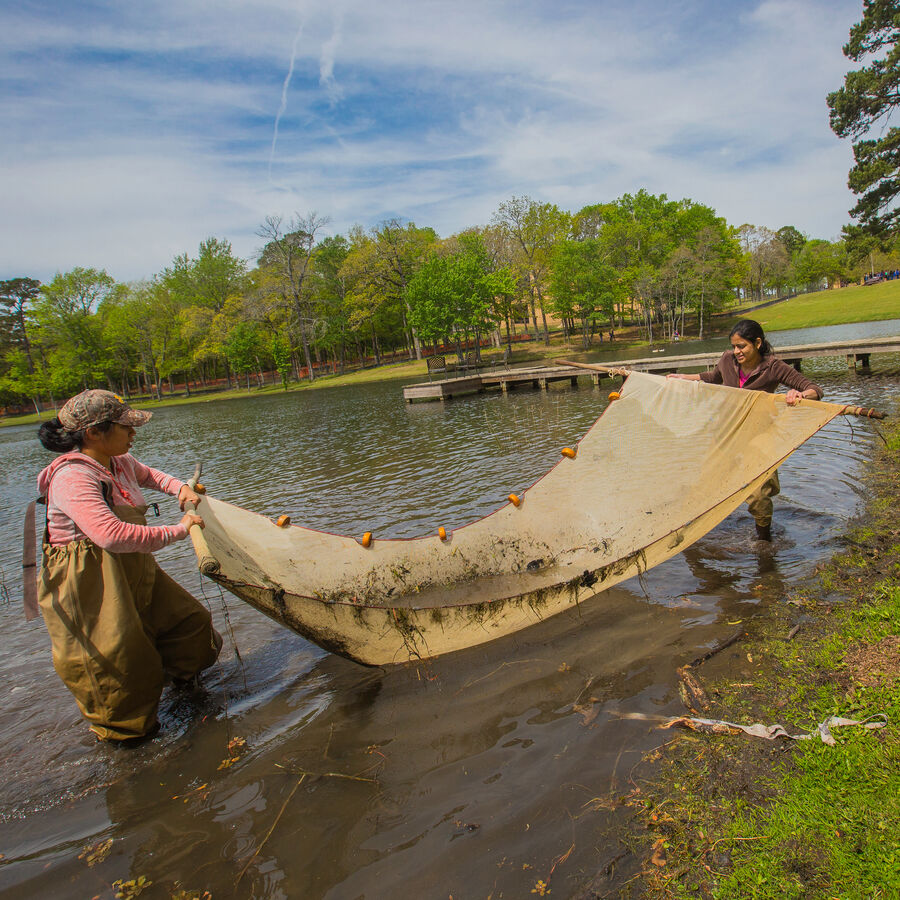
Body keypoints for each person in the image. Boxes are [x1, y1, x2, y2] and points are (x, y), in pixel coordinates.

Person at [35, 389, 223, 743]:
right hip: (88, 577)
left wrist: (179, 488)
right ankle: (129, 741)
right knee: (116, 662)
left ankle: (182, 691)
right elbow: (111, 535)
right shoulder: (73, 478)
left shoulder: (118, 459)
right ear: (93, 434)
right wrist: (180, 530)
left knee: (189, 624)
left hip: (131, 565)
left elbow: (151, 476)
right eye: (125, 427)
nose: (132, 433)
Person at [667, 319, 823, 542]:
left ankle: (764, 540)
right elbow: (715, 377)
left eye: (742, 346)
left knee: (758, 494)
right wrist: (685, 378)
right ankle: (692, 535)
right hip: (727, 432)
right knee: (702, 483)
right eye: (734, 346)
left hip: (759, 436)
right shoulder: (728, 359)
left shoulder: (774, 367)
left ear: (757, 343)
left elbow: (815, 390)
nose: (736, 351)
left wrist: (799, 395)